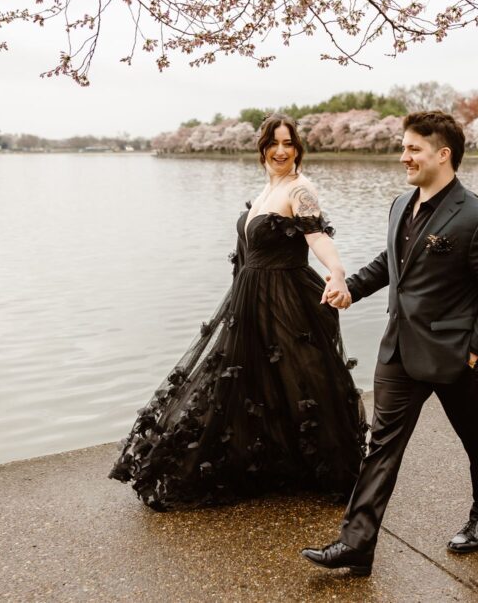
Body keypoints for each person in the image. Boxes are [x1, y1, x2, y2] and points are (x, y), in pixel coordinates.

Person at [110, 114, 367, 510]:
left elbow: (317, 237)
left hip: (286, 298)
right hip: (250, 298)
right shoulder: (267, 191)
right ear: (262, 148)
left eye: (288, 143)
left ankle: (329, 467)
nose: (281, 151)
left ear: (298, 148)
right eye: (273, 143)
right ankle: (270, 463)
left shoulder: (300, 189)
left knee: (302, 378)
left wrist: (337, 272)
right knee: (256, 381)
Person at [301, 110, 478, 576]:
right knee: (381, 446)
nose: (404, 157)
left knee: (476, 438)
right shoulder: (401, 204)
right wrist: (351, 288)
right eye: (404, 148)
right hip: (398, 348)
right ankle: (356, 543)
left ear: (444, 154)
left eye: (413, 149)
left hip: (454, 356)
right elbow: (391, 263)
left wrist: (476, 351)